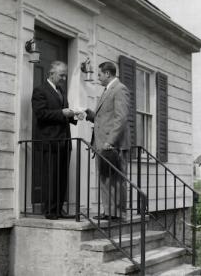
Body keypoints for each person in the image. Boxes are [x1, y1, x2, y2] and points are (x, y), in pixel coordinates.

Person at [32, 61, 77, 220]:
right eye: (61, 75)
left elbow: (63, 113)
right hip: (49, 141)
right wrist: (62, 113)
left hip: (64, 141)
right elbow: (41, 114)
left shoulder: (61, 91)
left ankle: (58, 209)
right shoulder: (40, 91)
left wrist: (74, 115)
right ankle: (50, 210)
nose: (64, 78)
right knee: (50, 177)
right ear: (51, 73)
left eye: (65, 75)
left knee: (62, 177)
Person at [86, 61, 130, 220]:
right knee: (105, 177)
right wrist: (89, 115)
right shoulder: (107, 90)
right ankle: (109, 212)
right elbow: (106, 117)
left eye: (99, 75)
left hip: (113, 144)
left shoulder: (119, 89)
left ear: (107, 74)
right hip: (102, 143)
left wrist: (110, 141)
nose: (98, 78)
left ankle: (118, 213)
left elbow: (121, 118)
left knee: (116, 179)